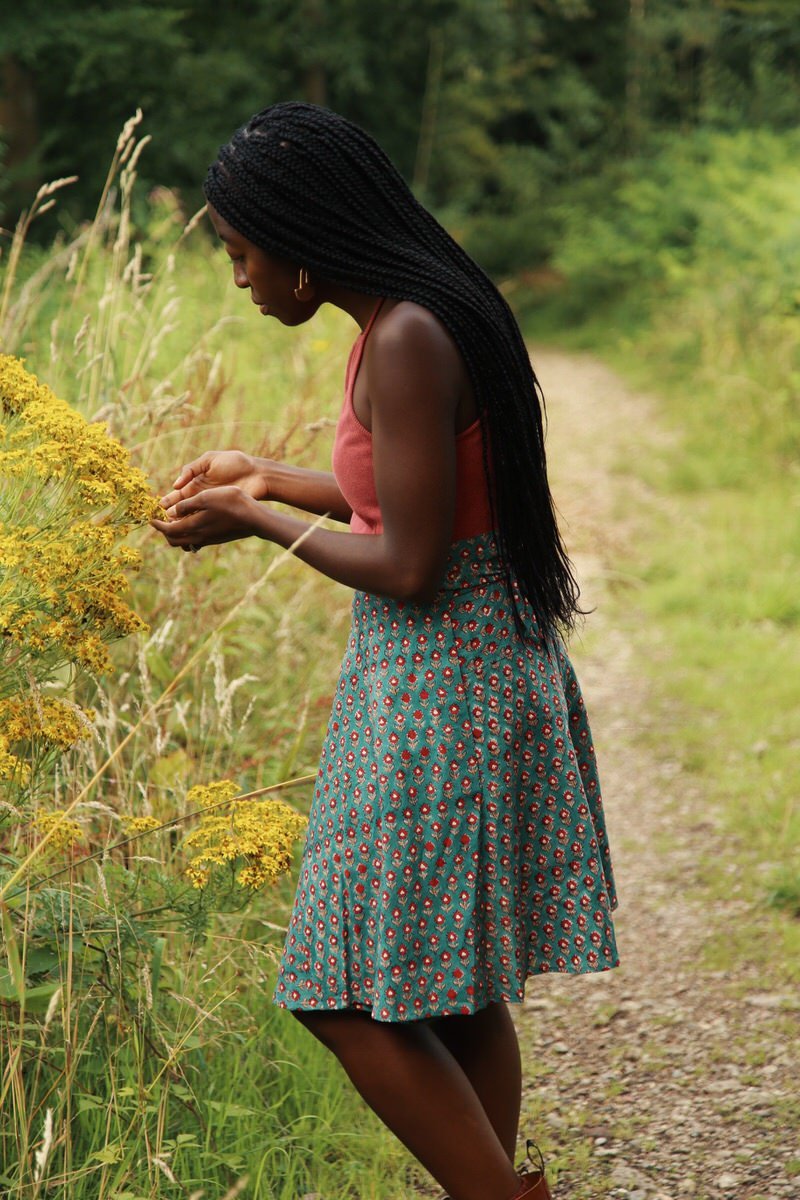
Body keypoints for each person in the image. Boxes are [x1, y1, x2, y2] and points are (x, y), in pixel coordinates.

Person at [153, 101, 619, 1200]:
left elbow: (406, 562)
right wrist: (264, 474)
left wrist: (252, 521)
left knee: (335, 993)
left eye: (240, 251)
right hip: (462, 669)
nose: (239, 277)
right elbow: (408, 497)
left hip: (439, 682)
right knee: (451, 992)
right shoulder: (417, 315)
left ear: (302, 252)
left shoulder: (406, 336)